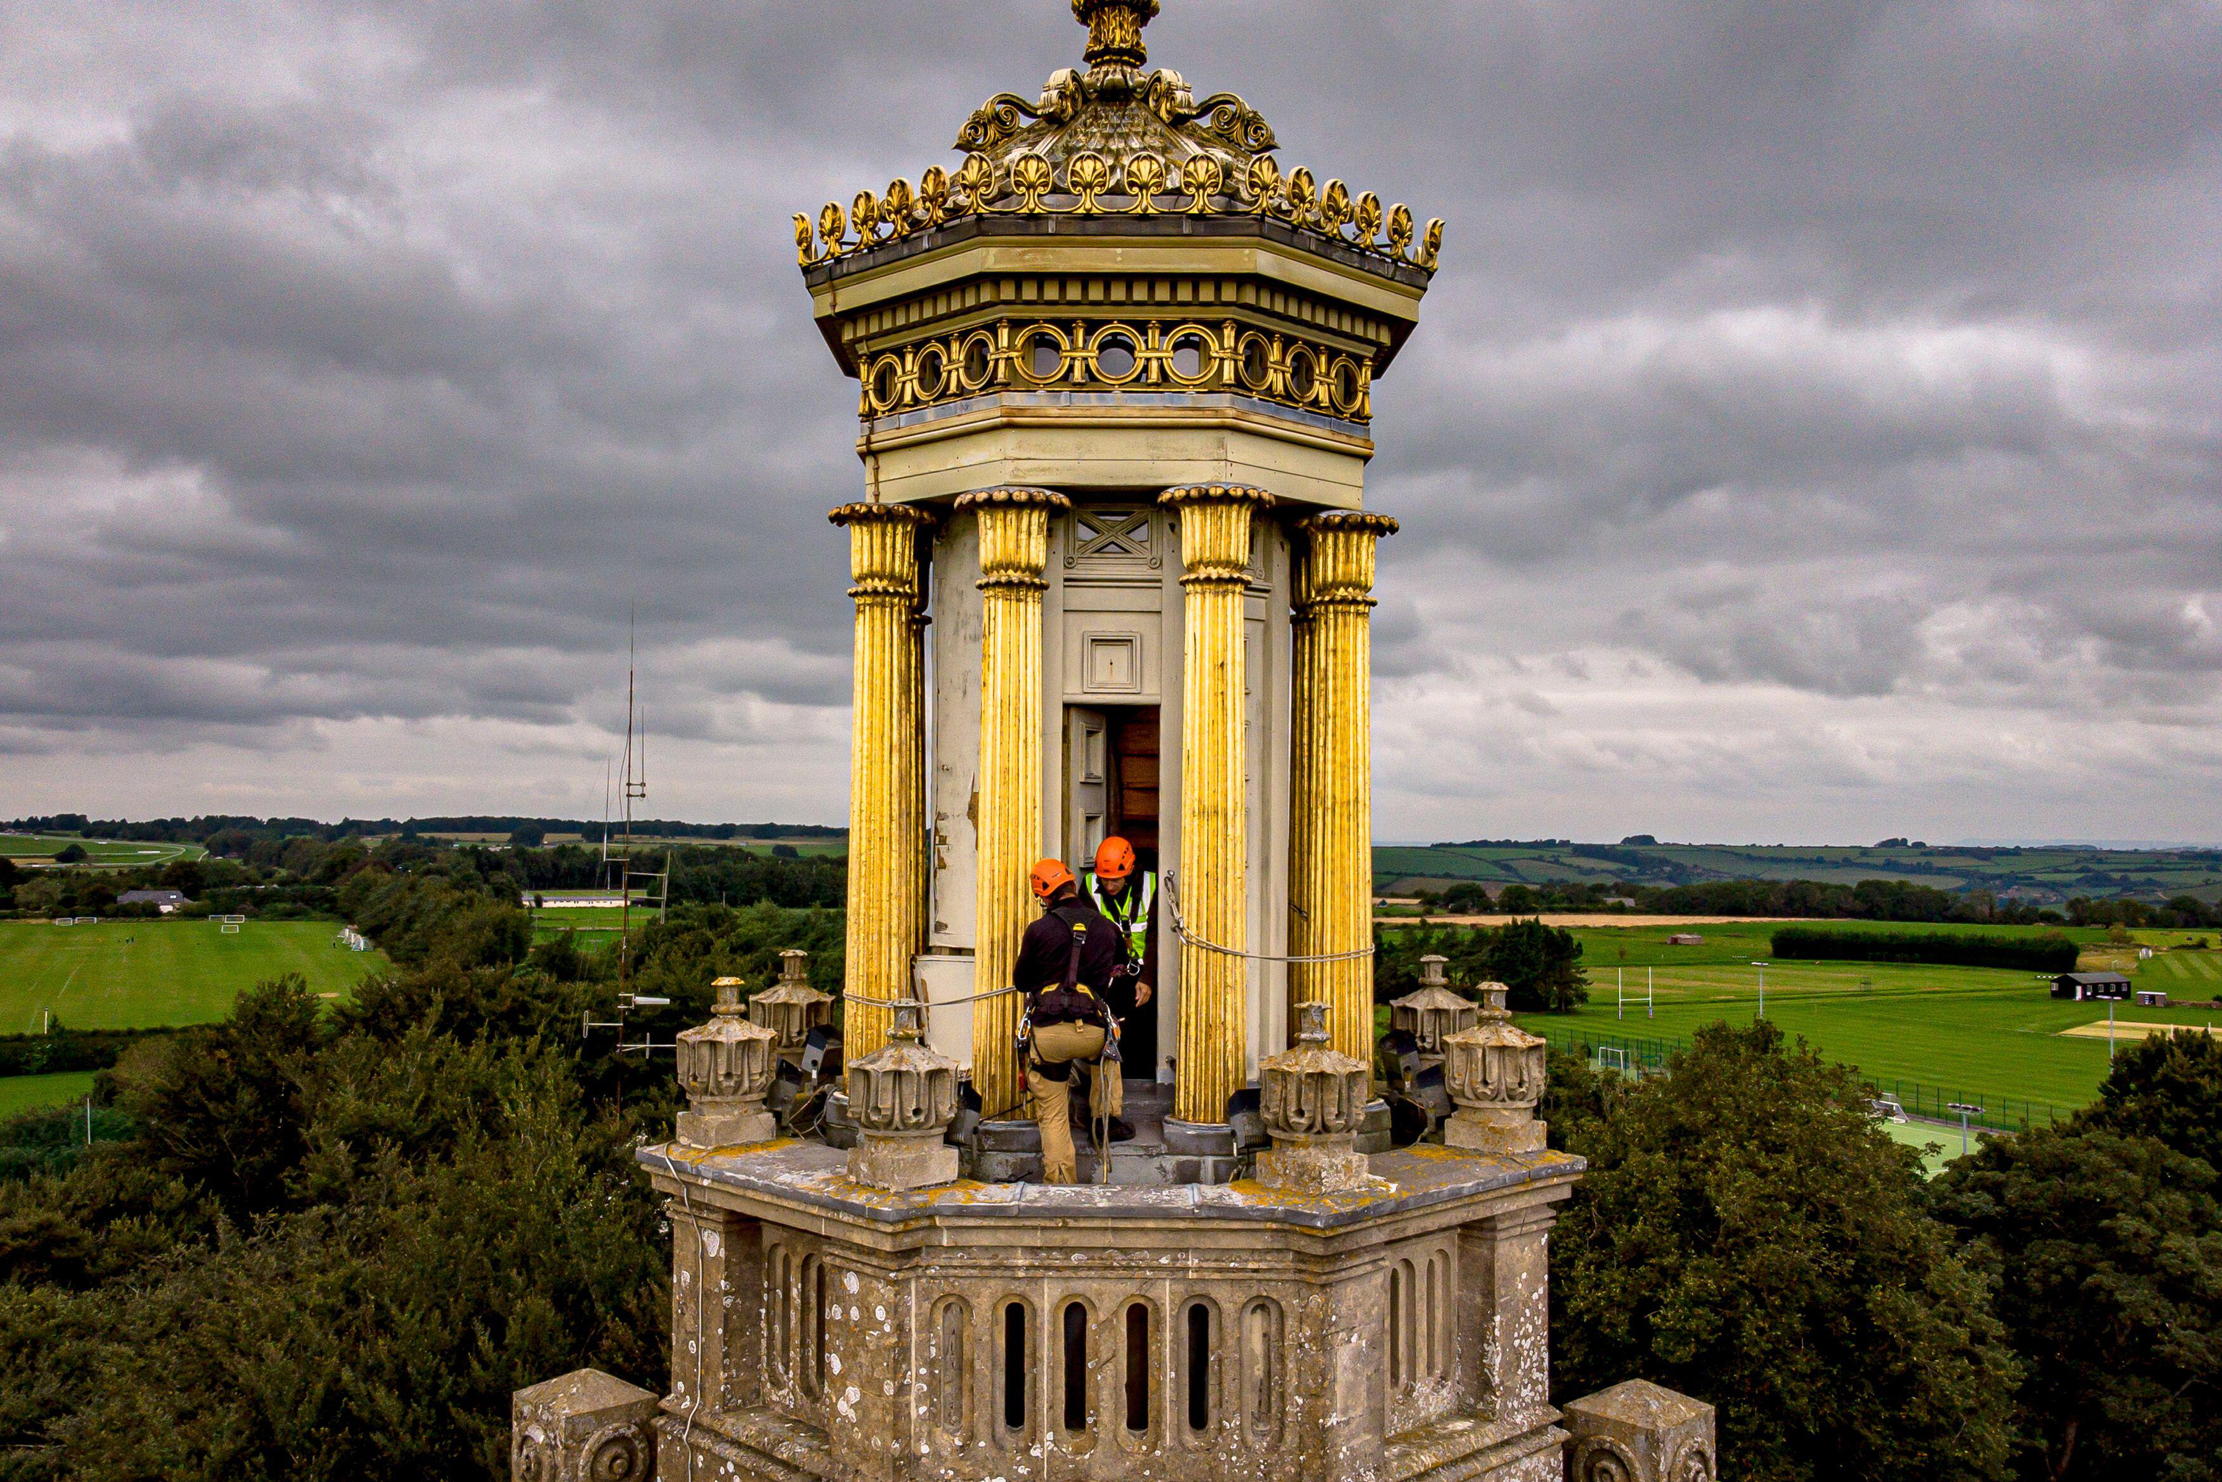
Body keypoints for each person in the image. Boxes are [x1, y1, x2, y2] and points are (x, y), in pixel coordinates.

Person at [1014, 858, 1126, 1184]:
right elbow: (1121, 966)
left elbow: (1022, 981)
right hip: (1092, 1030)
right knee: (1109, 1052)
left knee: (1051, 1112)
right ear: (1072, 886)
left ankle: (1062, 1186)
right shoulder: (1107, 927)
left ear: (1044, 896)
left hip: (1048, 1036)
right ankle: (1106, 1117)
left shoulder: (1038, 930)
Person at [1082, 835, 1157, 1074]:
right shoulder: (1089, 887)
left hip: (1143, 970)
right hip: (1110, 973)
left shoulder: (1151, 884)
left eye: (1116, 880)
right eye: (1105, 880)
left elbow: (1156, 935)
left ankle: (1140, 1074)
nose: (1110, 886)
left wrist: (1147, 978)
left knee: (1142, 1031)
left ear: (1130, 871)